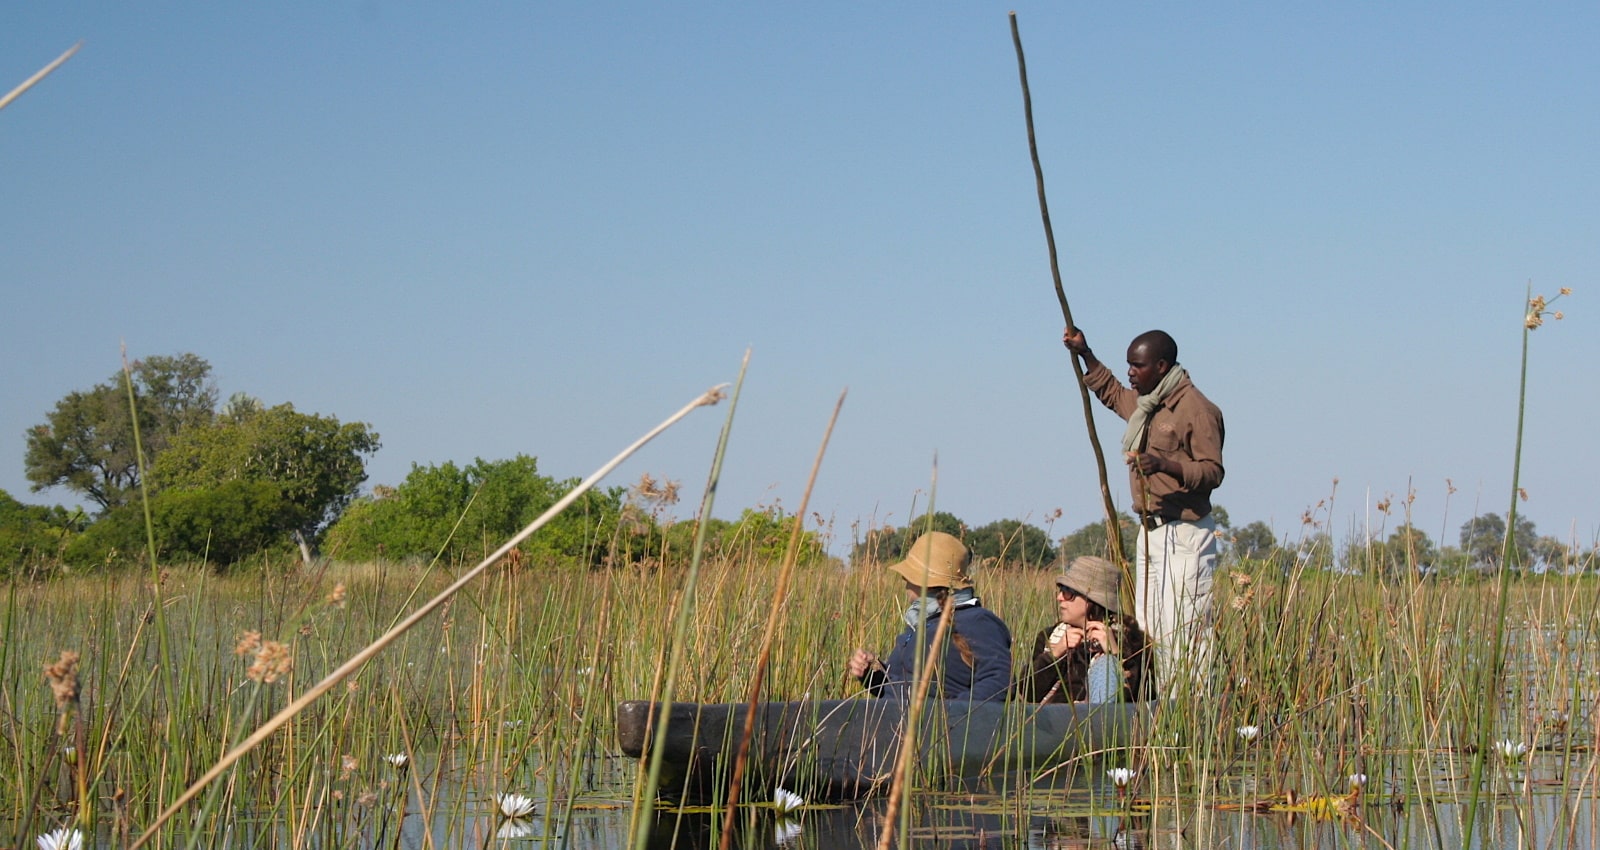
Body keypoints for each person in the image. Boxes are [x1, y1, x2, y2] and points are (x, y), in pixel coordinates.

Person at [1061, 326, 1224, 697]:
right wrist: (1085, 353)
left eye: (1138, 366)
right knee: (1149, 626)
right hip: (1150, 532)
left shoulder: (1198, 410)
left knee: (1183, 627)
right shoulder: (1147, 403)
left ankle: (1190, 709)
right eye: (1129, 366)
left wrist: (1165, 465)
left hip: (1185, 533)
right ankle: (1155, 704)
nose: (1131, 373)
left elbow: (1213, 471)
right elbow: (1113, 393)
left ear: (1162, 366)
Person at [848, 531, 1012, 702]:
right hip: (898, 723)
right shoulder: (921, 623)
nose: (905, 582)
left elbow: (998, 681)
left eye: (908, 577)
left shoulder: (977, 621)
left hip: (940, 727)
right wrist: (874, 676)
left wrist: (947, 715)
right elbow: (904, 691)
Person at [1015, 555, 1150, 704]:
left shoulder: (1131, 640)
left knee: (1106, 666)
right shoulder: (1049, 636)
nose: (1059, 597)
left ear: (1092, 600)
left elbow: (1140, 698)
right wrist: (1054, 655)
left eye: (1068, 592)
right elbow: (1025, 693)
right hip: (1050, 724)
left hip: (1101, 725)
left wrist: (1115, 655)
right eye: (1061, 590)